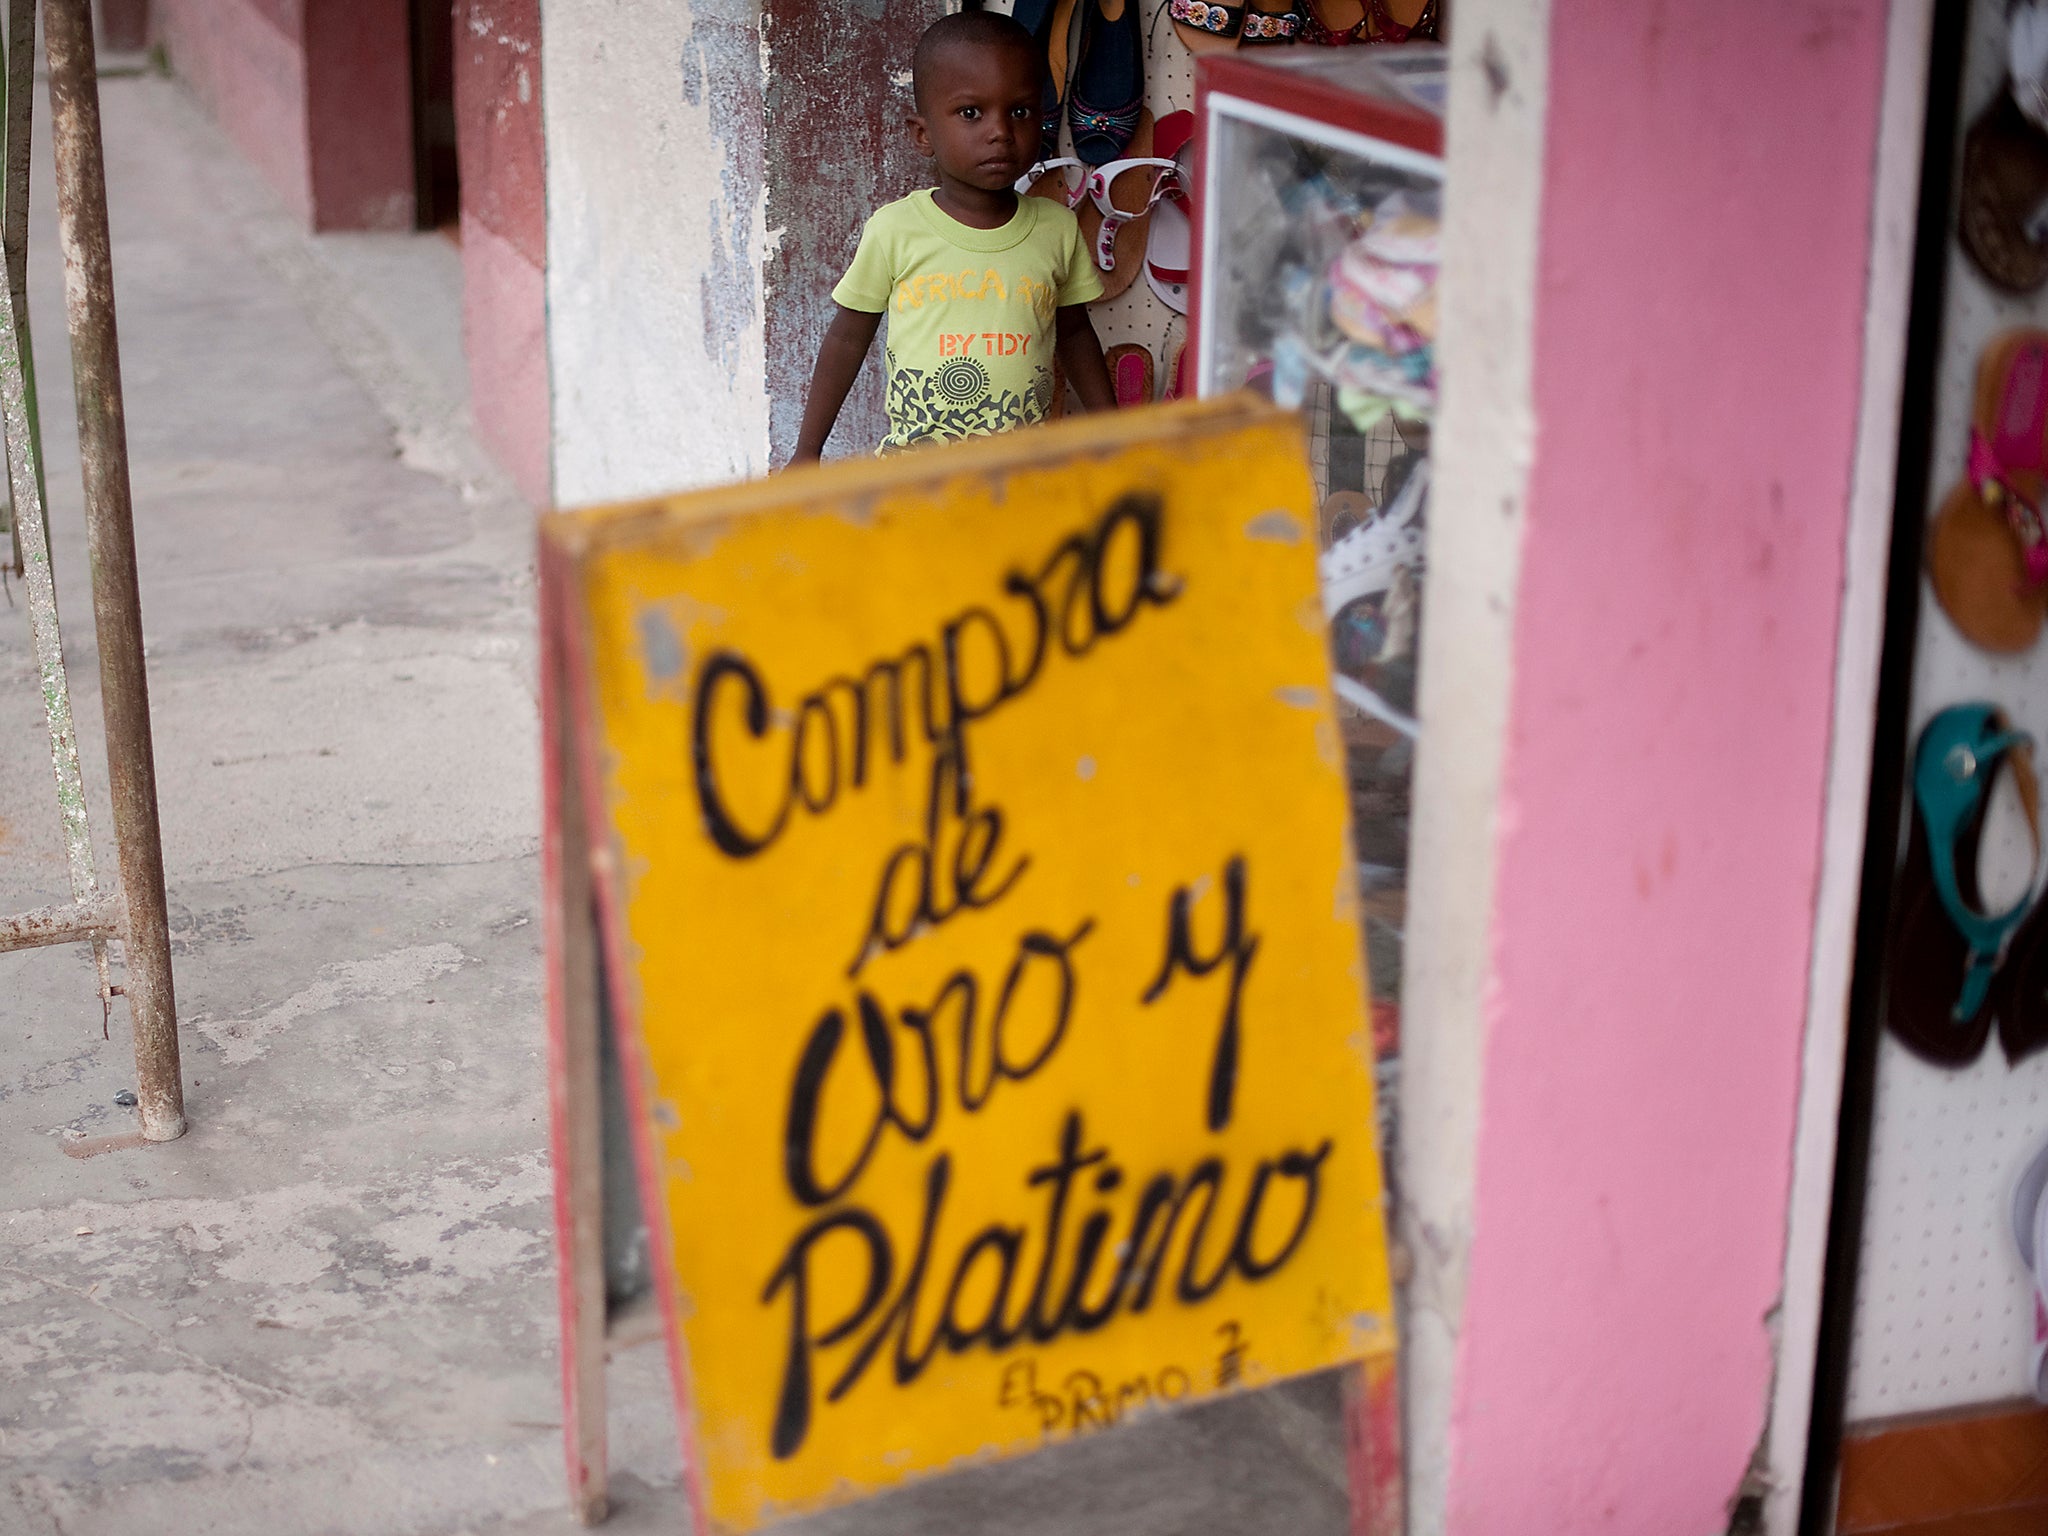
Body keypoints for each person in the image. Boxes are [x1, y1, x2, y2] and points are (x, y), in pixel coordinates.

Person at [788, 11, 1117, 465]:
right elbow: (847, 340)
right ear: (923, 134)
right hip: (916, 475)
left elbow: (1077, 334)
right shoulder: (895, 230)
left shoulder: (1055, 227)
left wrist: (1119, 436)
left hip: (1023, 473)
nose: (1000, 132)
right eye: (971, 113)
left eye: (1019, 111)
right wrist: (807, 452)